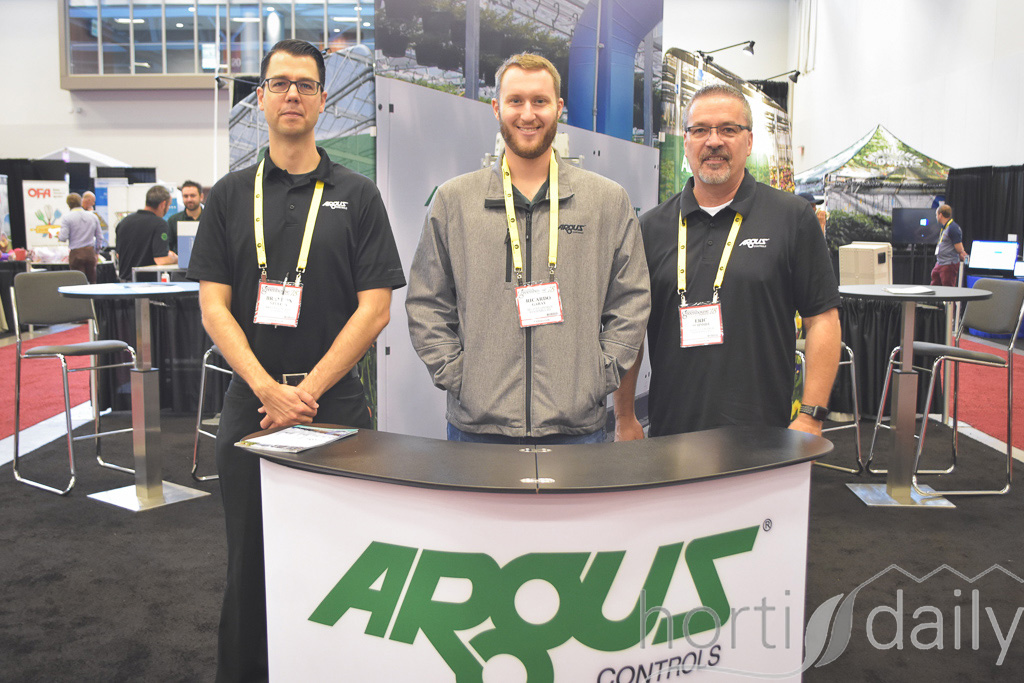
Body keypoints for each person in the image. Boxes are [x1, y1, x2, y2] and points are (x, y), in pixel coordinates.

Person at [187, 39, 405, 682]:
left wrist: (303, 393)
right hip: (251, 408)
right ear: (260, 97)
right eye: (279, 83)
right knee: (249, 564)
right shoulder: (229, 196)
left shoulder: (358, 195)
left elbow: (375, 309)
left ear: (323, 99)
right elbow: (213, 307)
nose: (291, 95)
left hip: (334, 408)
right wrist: (267, 389)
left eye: (305, 85)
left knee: (345, 563)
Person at [406, 53, 649, 445]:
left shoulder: (606, 200)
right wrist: (460, 376)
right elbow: (426, 301)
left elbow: (632, 300)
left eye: (540, 101)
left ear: (559, 108)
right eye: (516, 101)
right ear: (496, 107)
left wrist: (599, 374)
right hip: (477, 429)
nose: (528, 114)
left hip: (576, 429)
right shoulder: (455, 201)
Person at [614, 83, 841, 440]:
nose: (714, 141)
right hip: (671, 435)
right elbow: (629, 330)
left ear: (748, 142)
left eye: (728, 130)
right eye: (700, 130)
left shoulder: (791, 217)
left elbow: (822, 319)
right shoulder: (650, 228)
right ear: (686, 141)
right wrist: (624, 417)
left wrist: (812, 415)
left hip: (764, 436)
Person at [113, 185, 177, 281]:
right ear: (163, 204)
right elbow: (161, 259)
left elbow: (118, 255)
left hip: (124, 283)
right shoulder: (160, 224)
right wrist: (175, 258)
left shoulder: (124, 222)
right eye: (168, 205)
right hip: (146, 284)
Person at [57, 192, 105, 283]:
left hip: (76, 254)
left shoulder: (67, 218)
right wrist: (96, 252)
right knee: (93, 282)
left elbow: (63, 238)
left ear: (68, 205)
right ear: (80, 202)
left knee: (78, 283)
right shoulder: (93, 216)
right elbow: (100, 237)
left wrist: (58, 235)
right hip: (90, 253)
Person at [930, 204, 967, 286]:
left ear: (940, 215)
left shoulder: (953, 228)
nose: (936, 217)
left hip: (949, 264)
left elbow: (959, 249)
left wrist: (964, 255)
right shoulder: (945, 227)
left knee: (947, 288)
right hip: (940, 262)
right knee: (934, 285)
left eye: (936, 214)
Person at [165, 179, 204, 252]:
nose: (189, 199)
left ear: (201, 197)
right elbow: (167, 246)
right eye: (185, 196)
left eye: (192, 196)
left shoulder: (210, 219)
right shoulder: (173, 220)